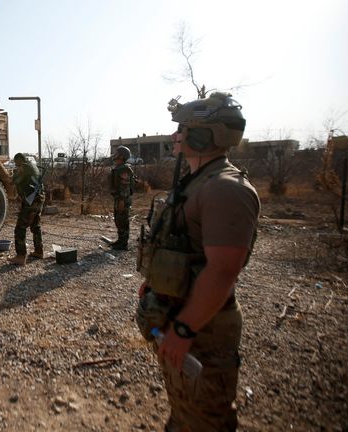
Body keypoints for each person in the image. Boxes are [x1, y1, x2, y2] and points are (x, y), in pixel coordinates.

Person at [135, 92, 260, 431]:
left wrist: (185, 327)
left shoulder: (224, 188)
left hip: (202, 332)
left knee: (204, 422)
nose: (176, 136)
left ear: (208, 134)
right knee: (185, 415)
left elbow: (223, 270)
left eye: (183, 129)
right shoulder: (196, 182)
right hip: (182, 322)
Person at [8, 153, 45, 266]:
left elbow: (13, 181)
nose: (15, 164)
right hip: (39, 198)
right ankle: (39, 251)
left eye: (15, 162)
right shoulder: (32, 165)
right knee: (35, 226)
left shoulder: (23, 167)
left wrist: (12, 174)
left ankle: (20, 256)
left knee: (20, 228)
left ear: (19, 160)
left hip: (31, 200)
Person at [109, 146, 135, 250]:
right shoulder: (118, 168)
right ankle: (120, 240)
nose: (114, 155)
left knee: (123, 220)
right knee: (118, 220)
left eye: (117, 153)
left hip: (122, 199)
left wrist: (122, 201)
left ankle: (124, 243)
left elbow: (125, 187)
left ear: (121, 156)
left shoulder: (124, 169)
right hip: (118, 198)